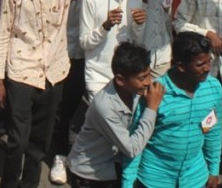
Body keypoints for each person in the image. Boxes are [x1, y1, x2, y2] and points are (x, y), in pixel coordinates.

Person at [0, 0, 122, 188]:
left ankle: (28, 184)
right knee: (17, 141)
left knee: (40, 142)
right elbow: (4, 32)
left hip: (54, 72)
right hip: (20, 72)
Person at [125, 32, 222, 188]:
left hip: (195, 178)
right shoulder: (154, 93)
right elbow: (136, 141)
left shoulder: (214, 88)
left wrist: (213, 170)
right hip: (155, 180)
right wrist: (128, 184)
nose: (207, 69)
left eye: (209, 61)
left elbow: (212, 131)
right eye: (200, 65)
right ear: (181, 66)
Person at [68, 42, 165, 188]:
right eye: (142, 78)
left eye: (149, 75)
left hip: (113, 166)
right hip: (90, 174)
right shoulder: (105, 106)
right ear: (120, 80)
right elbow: (132, 149)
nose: (148, 82)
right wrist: (151, 108)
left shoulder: (134, 91)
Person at [79, 0, 146, 97]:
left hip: (128, 79)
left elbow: (137, 40)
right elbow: (85, 43)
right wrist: (105, 27)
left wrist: (139, 24)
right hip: (99, 79)